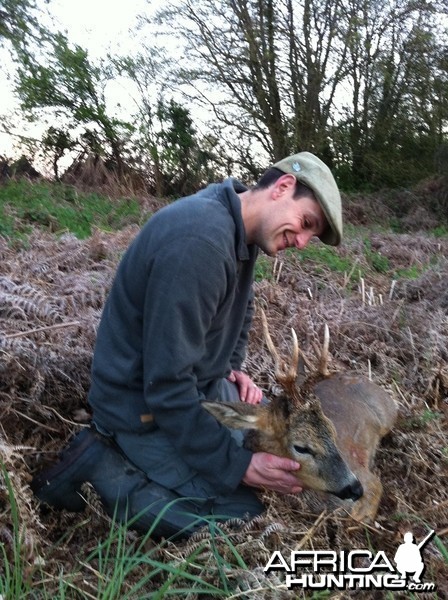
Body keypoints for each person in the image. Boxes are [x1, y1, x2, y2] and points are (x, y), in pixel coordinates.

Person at [32, 151, 343, 539]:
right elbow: (165, 386)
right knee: (242, 514)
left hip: (197, 386)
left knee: (266, 440)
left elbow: (240, 307)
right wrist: (236, 467)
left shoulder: (236, 225)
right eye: (306, 223)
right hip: (141, 411)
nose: (301, 242)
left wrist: (232, 366)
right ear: (283, 187)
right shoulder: (200, 242)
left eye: (310, 235)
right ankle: (101, 470)